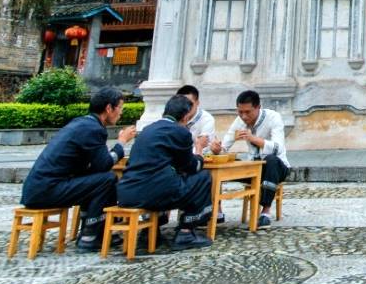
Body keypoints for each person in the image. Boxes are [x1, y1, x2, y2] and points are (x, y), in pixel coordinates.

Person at [20, 86, 136, 250]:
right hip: (48, 189)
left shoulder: (82, 123)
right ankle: (91, 235)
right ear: (109, 108)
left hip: (37, 188)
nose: (121, 113)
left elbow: (96, 165)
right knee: (107, 179)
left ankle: (97, 232)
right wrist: (121, 142)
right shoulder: (93, 129)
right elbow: (104, 164)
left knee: (97, 179)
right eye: (120, 108)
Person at [117, 93, 214, 249]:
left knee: (164, 178)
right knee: (202, 177)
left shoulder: (147, 130)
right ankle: (186, 232)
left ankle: (150, 231)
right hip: (154, 193)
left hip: (126, 192)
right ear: (184, 117)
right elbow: (192, 166)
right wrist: (199, 151)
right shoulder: (180, 132)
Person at [210, 90, 290, 229]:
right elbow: (225, 145)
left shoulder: (273, 117)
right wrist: (217, 149)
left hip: (277, 167)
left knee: (271, 160)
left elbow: (278, 148)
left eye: (248, 112)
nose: (244, 116)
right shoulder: (239, 121)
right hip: (253, 167)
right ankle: (218, 212)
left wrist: (253, 138)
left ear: (258, 107)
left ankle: (265, 213)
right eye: (240, 112)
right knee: (222, 166)